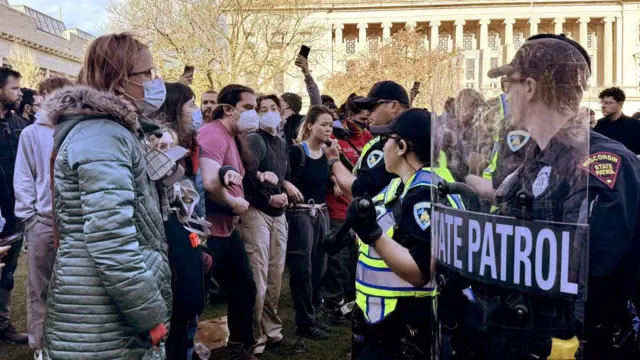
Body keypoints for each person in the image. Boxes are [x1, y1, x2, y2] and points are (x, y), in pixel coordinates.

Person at [43, 33, 171, 359]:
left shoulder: (109, 132)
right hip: (102, 313)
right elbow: (111, 240)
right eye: (148, 74)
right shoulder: (104, 135)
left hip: (103, 307)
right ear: (119, 80)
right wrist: (150, 315)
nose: (156, 82)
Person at [345, 108, 461, 359]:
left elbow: (418, 271)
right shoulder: (402, 184)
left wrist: (372, 234)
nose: (380, 145)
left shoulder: (423, 194)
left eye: (386, 139)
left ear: (401, 146)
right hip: (384, 319)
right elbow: (392, 229)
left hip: (405, 325)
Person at [238, 94, 305, 357]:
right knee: (259, 278)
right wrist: (269, 196)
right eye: (261, 109)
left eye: (272, 108)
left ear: (280, 111)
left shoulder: (280, 140)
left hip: (278, 215)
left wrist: (285, 187)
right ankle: (254, 338)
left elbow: (279, 174)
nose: (267, 113)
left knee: (275, 278)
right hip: (257, 213)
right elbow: (247, 176)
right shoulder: (255, 139)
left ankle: (272, 331)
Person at [197, 84, 260, 355]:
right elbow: (210, 183)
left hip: (226, 230)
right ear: (228, 109)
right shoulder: (213, 134)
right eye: (248, 108)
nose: (253, 114)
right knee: (195, 298)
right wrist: (234, 202)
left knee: (244, 288)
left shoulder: (233, 138)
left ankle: (239, 346)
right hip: (207, 231)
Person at [13, 76, 71, 359]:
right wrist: (29, 217)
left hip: (73, 221)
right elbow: (24, 176)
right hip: (43, 219)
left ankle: (67, 342)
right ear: (42, 96)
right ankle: (40, 345)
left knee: (72, 285)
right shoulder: (31, 134)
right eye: (50, 95)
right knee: (39, 287)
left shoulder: (76, 129)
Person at [151, 81, 207, 360]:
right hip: (168, 230)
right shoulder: (161, 139)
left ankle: (187, 347)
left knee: (190, 302)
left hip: (188, 225)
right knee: (180, 302)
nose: (195, 110)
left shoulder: (190, 141)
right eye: (191, 104)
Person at [323, 94, 372, 324]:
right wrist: (333, 179)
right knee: (338, 260)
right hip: (337, 208)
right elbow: (323, 163)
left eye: (366, 118)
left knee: (355, 258)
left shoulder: (369, 136)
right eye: (359, 117)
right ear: (348, 115)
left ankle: (352, 302)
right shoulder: (334, 138)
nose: (363, 121)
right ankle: (332, 304)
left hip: (360, 208)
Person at [286, 105, 334, 340]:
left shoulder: (327, 154)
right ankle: (304, 322)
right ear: (310, 125)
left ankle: (314, 315)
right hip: (301, 215)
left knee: (320, 269)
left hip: (322, 214)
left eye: (330, 125)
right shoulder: (296, 152)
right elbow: (283, 180)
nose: (328, 129)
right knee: (302, 270)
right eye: (323, 124)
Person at [325, 81, 410, 200]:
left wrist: (333, 159)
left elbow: (359, 192)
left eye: (372, 106)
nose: (367, 112)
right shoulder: (409, 133)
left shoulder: (399, 139)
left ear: (394, 106)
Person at [0, 66, 28, 345]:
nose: (19, 93)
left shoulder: (19, 125)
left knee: (9, 268)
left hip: (14, 212)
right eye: (14, 88)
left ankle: (2, 324)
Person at [595, 87, 640, 154]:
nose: (603, 106)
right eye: (601, 102)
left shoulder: (635, 125)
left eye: (608, 103)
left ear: (620, 104)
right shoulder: (598, 125)